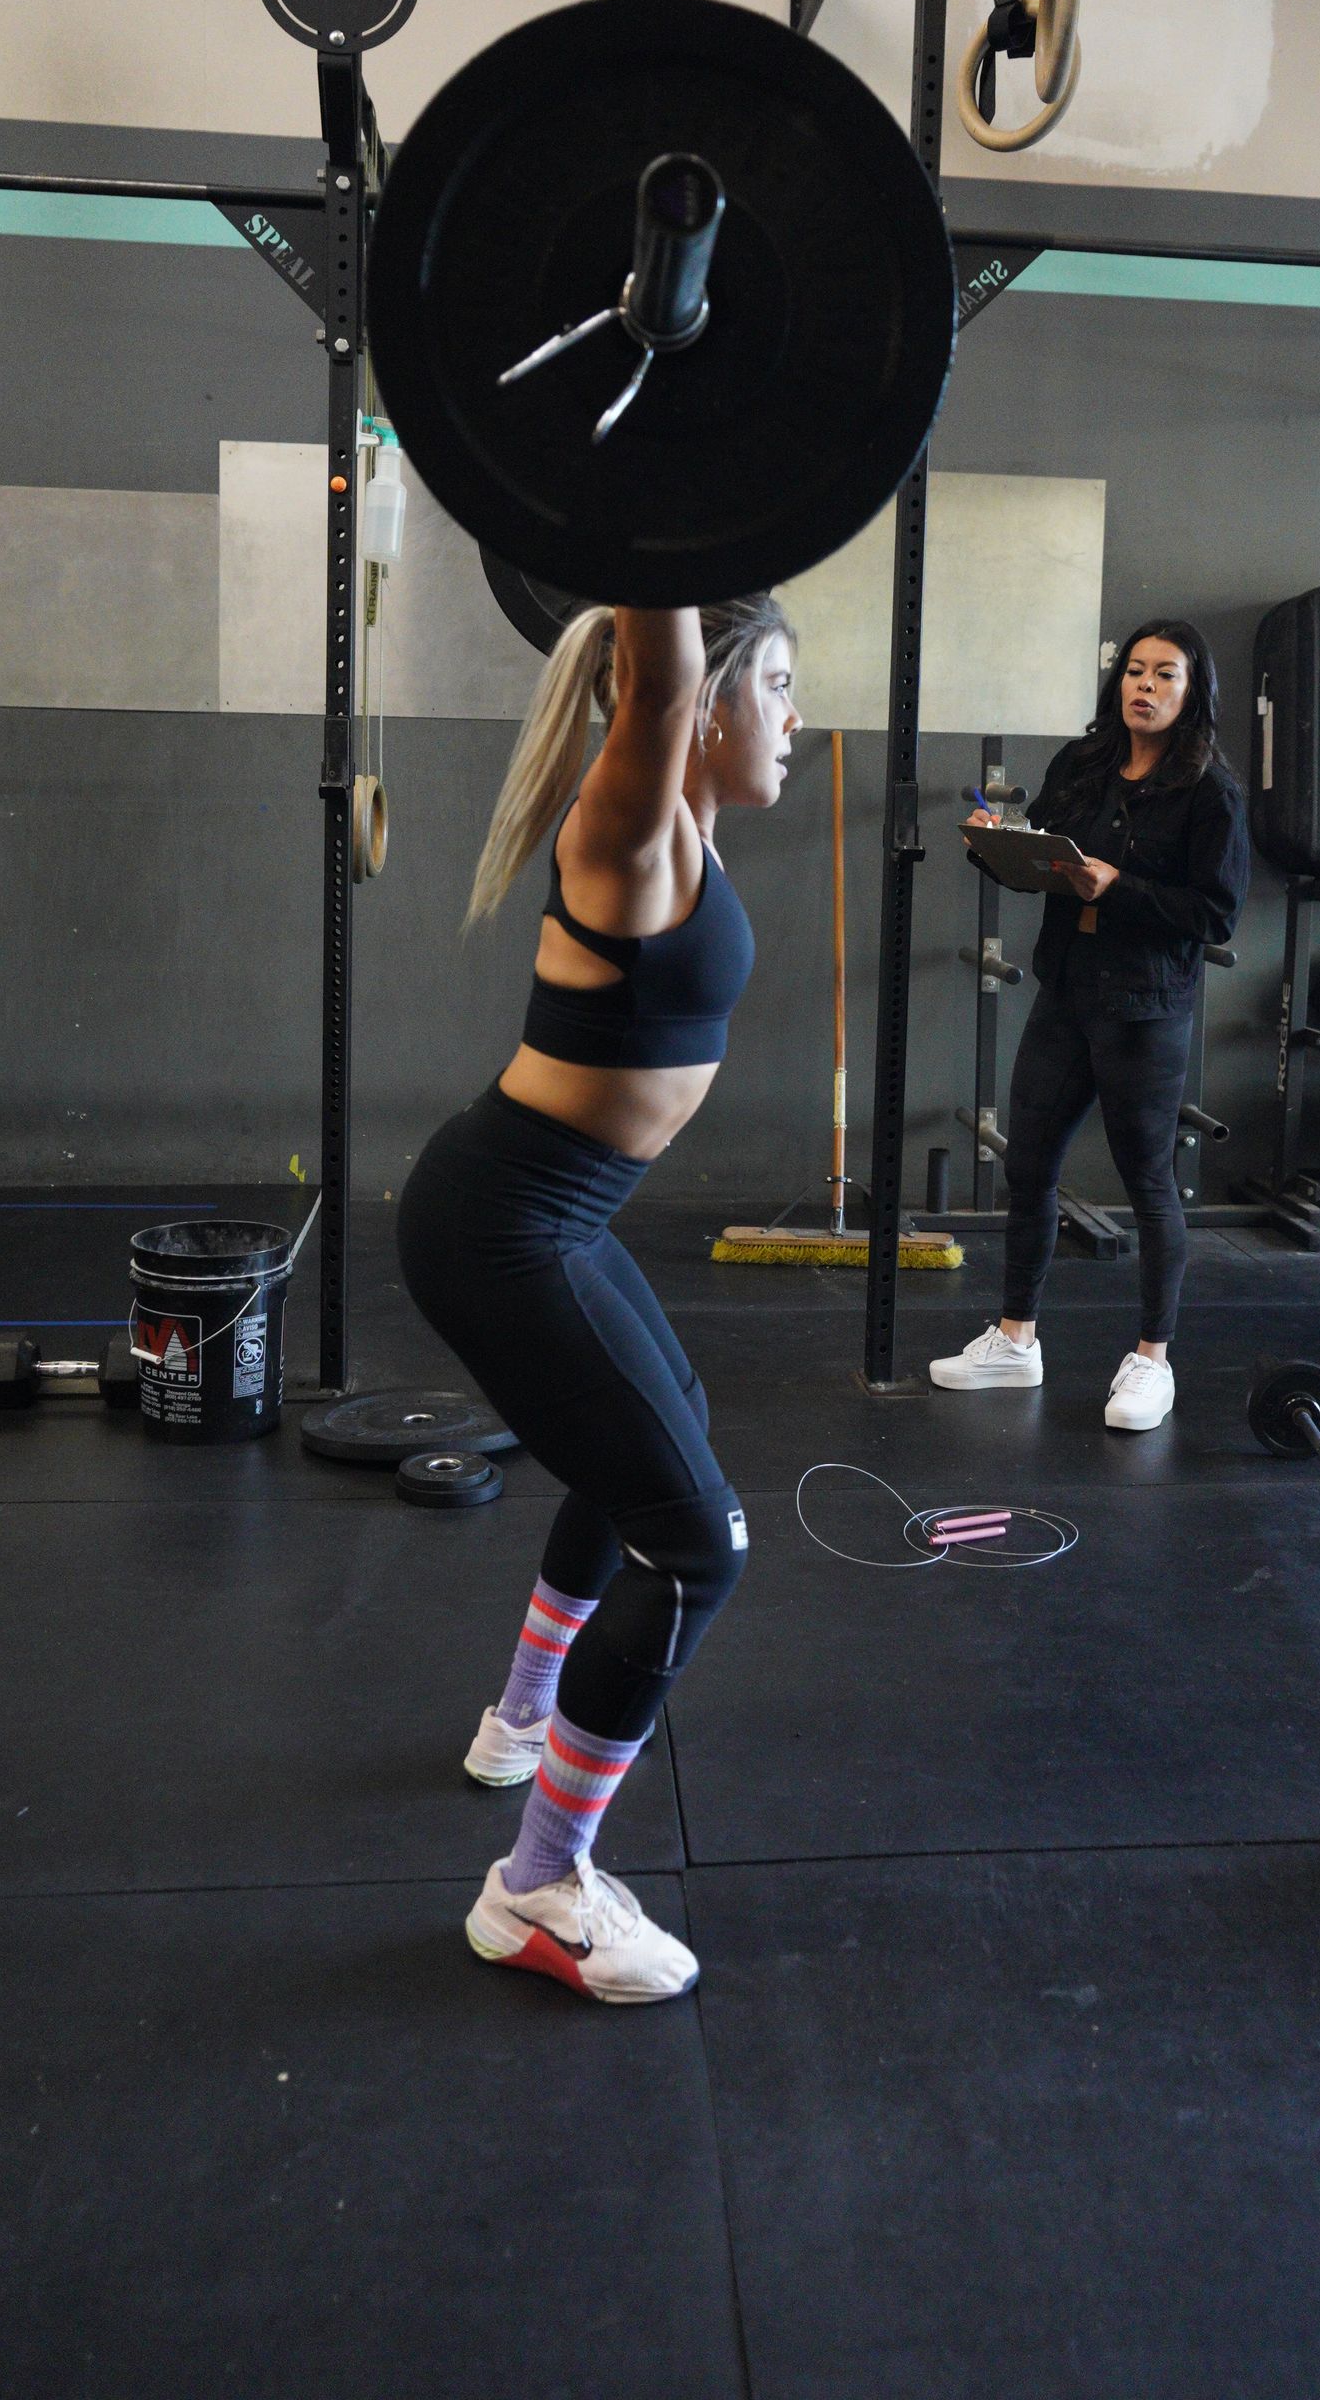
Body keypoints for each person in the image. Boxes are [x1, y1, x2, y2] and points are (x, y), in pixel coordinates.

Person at [397, 595, 798, 2005]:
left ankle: (521, 1719)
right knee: (697, 1544)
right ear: (703, 699)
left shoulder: (685, 829)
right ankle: (535, 1887)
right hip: (506, 1223)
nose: (795, 721)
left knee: (659, 1433)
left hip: (550, 1213)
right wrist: (658, 550)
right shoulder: (628, 829)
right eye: (778, 687)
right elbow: (658, 666)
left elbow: (667, 677)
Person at [930, 620, 1248, 1429]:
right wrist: (996, 846)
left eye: (1165, 674)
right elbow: (1046, 858)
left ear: (1192, 692)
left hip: (1145, 1007)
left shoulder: (1212, 791)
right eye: (1135, 671)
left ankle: (1152, 1362)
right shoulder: (1083, 762)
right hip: (1067, 992)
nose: (1145, 686)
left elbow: (1215, 915)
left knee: (1148, 1183)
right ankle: (1016, 1342)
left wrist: (1120, 886)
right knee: (1029, 1166)